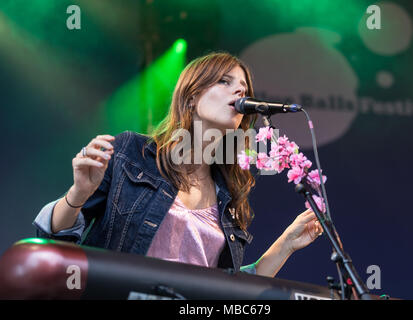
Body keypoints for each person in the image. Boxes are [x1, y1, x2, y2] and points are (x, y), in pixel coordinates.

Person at [33, 52, 323, 277]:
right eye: (225, 81)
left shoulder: (228, 194)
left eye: (244, 87)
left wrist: (286, 243)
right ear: (192, 95)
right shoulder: (132, 153)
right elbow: (51, 238)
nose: (240, 92)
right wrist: (78, 194)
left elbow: (228, 288)